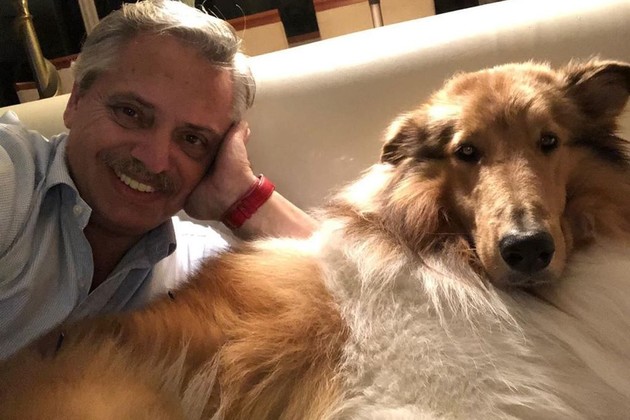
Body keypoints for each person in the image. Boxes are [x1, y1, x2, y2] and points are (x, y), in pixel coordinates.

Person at [0, 0, 316, 360]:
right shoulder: (11, 180)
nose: (154, 160)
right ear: (76, 101)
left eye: (192, 139)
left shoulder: (195, 263)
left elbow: (349, 299)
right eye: (131, 113)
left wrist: (241, 197)